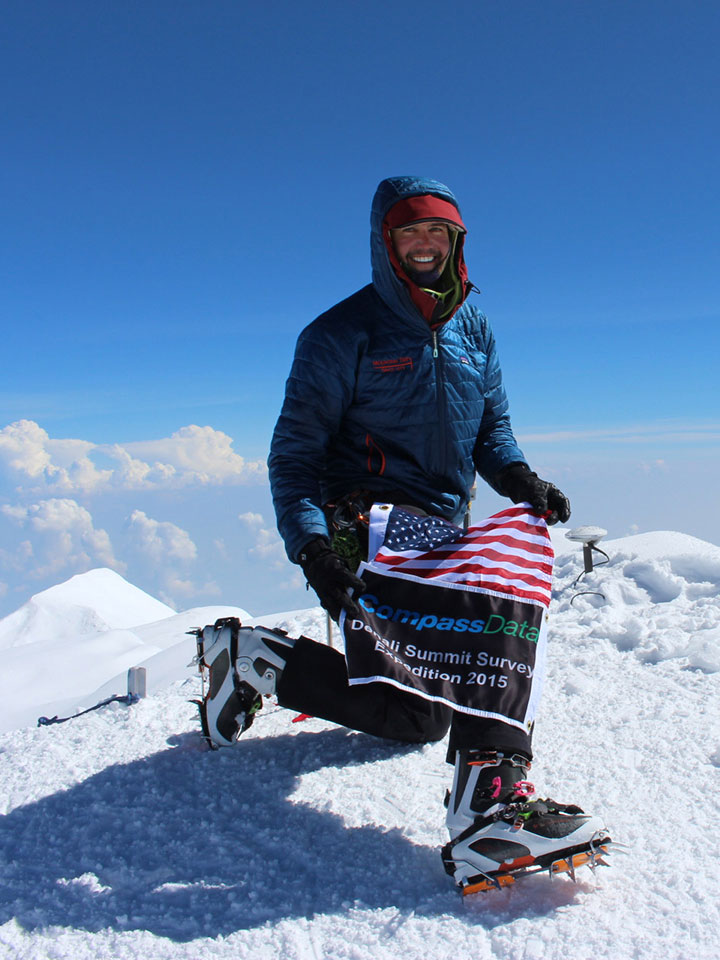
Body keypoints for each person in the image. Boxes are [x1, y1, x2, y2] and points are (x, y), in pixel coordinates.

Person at [195, 176, 606, 891]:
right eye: (409, 233)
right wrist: (314, 548)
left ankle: (255, 657)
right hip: (360, 524)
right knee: (488, 612)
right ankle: (489, 812)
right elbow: (292, 457)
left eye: (437, 234)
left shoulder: (475, 325)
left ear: (456, 244)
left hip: (441, 527)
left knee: (415, 719)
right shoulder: (339, 334)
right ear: (385, 244)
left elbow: (492, 430)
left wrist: (520, 480)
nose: (424, 245)